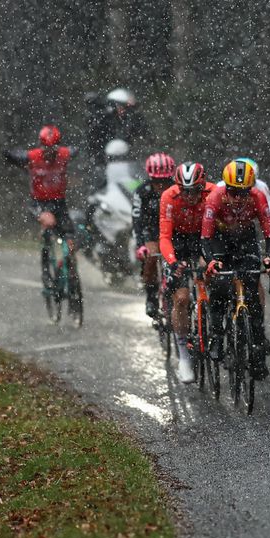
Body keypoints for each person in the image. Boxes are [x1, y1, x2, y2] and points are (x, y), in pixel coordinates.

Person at [202, 159, 270, 380]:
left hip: (246, 241)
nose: (238, 198)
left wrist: (268, 258)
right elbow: (205, 238)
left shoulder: (258, 197)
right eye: (233, 193)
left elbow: (269, 235)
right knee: (219, 285)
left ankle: (257, 347)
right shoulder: (214, 198)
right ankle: (217, 336)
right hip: (220, 241)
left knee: (252, 290)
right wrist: (210, 261)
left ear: (251, 190)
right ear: (225, 188)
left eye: (243, 193)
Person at [159, 162, 212, 384]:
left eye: (194, 191)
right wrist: (172, 262)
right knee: (181, 298)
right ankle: (183, 355)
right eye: (185, 191)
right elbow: (164, 237)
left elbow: (217, 230)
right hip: (178, 242)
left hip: (203, 239)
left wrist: (209, 256)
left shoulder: (212, 194)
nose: (190, 196)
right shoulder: (169, 197)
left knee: (217, 284)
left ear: (202, 187)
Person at [4, 125, 77, 242]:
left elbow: (75, 149)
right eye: (46, 148)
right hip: (38, 203)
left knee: (70, 236)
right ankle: (45, 239)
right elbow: (9, 155)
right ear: (41, 145)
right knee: (48, 221)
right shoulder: (32, 156)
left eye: (53, 149)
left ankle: (69, 255)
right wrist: (21, 165)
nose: (49, 153)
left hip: (59, 202)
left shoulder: (64, 154)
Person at [132, 153, 176, 317]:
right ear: (151, 178)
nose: (161, 185)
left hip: (172, 230)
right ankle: (151, 296)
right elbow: (136, 219)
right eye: (157, 181)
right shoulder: (142, 191)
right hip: (151, 231)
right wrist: (140, 244)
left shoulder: (176, 189)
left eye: (165, 181)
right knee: (151, 255)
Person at [85, 88, 146, 165]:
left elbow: (139, 135)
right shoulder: (103, 118)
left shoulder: (130, 119)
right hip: (107, 158)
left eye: (122, 106)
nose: (121, 109)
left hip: (125, 158)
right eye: (118, 106)